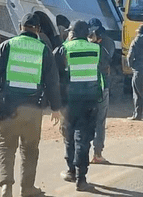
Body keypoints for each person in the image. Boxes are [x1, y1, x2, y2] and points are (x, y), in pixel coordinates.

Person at [0, 12, 62, 197]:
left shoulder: (6, 46)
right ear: (38, 30)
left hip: (7, 107)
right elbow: (52, 82)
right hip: (33, 108)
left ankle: (6, 187)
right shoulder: (43, 49)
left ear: (19, 27)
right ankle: (27, 189)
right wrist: (56, 108)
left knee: (5, 147)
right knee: (30, 149)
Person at [53, 20, 104, 191]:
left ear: (72, 33)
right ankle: (81, 179)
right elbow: (103, 70)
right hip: (90, 101)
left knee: (69, 136)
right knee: (83, 139)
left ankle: (71, 171)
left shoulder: (64, 49)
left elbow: (55, 76)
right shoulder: (96, 49)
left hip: (69, 102)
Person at [87, 18, 115, 164]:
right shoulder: (92, 43)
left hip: (100, 86)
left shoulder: (106, 43)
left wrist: (92, 44)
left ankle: (97, 153)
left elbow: (104, 61)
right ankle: (90, 153)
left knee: (98, 121)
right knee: (94, 121)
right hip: (91, 86)